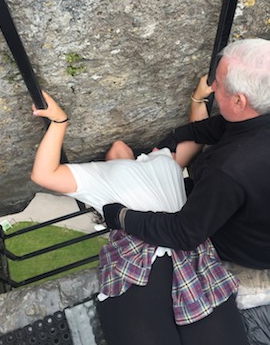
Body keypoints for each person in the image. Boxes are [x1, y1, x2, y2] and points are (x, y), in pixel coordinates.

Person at [30, 77, 248, 345]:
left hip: (189, 249)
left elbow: (197, 133)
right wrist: (58, 122)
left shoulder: (163, 157)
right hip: (139, 255)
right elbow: (44, 173)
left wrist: (199, 99)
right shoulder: (94, 177)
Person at [103, 37, 270, 341]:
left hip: (251, 246)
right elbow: (217, 128)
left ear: (240, 101)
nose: (212, 90)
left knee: (164, 228)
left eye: (218, 85)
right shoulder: (257, 117)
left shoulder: (229, 169)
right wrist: (171, 142)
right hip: (256, 205)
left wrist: (121, 217)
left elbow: (184, 233)